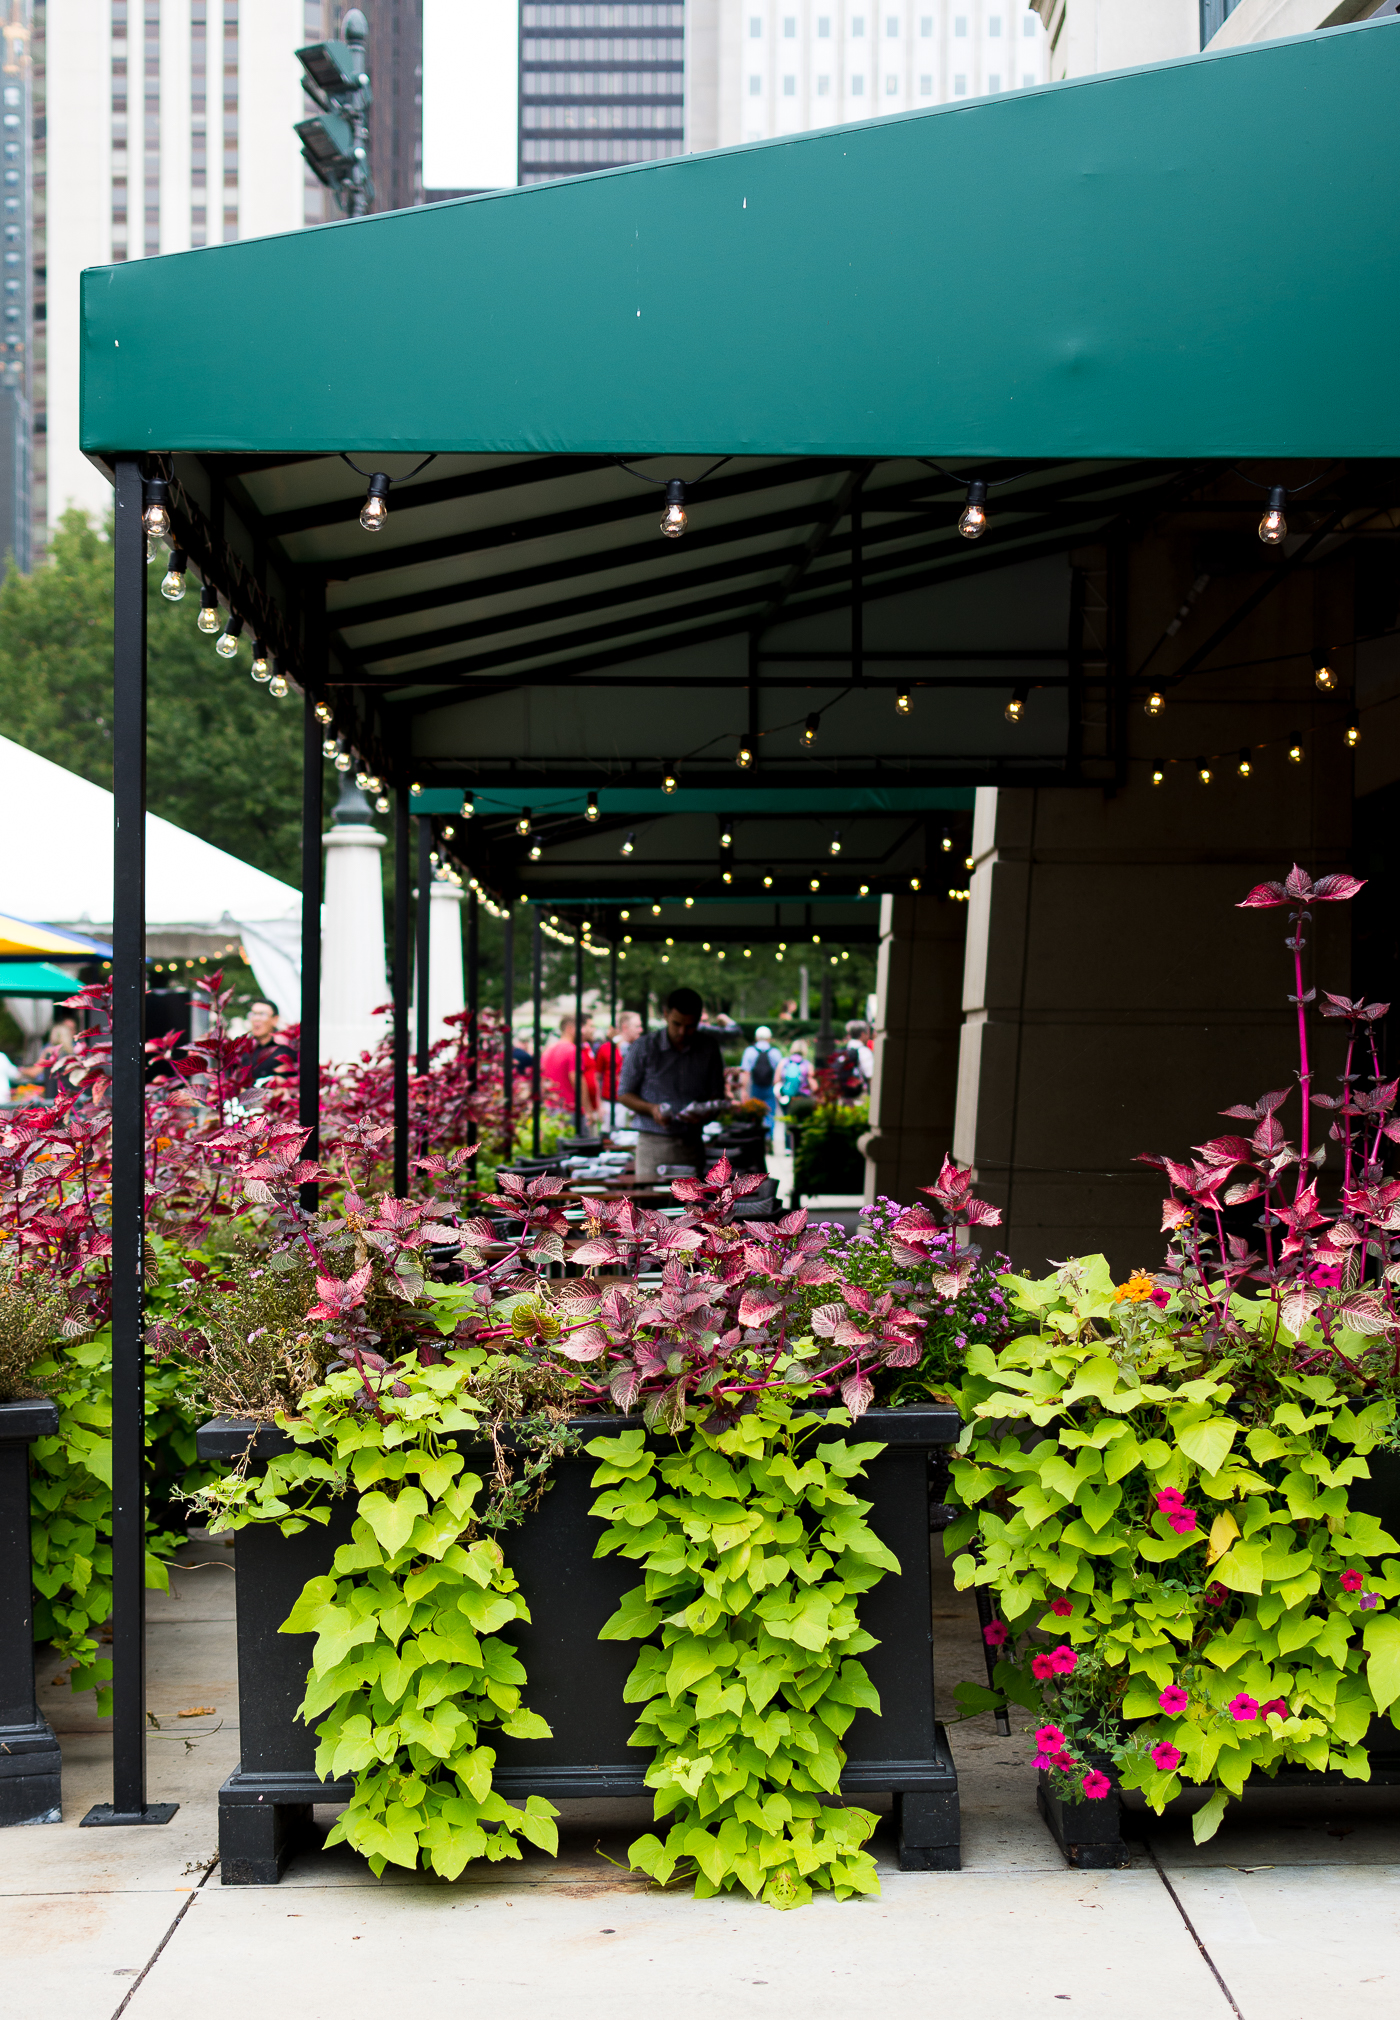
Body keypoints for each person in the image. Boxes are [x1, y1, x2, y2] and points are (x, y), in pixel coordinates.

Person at [617, 986, 728, 1180]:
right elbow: (624, 1093)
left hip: (692, 1142)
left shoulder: (708, 1048)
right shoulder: (643, 1047)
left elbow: (717, 1095)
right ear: (666, 1014)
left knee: (692, 1207)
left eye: (690, 1026)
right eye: (677, 1024)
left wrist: (706, 1114)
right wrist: (652, 1109)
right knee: (650, 1207)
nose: (682, 1032)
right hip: (652, 1143)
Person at [540, 1015, 599, 1124]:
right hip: (570, 1110)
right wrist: (588, 1110)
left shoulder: (548, 1050)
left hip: (551, 1108)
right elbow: (577, 1081)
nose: (582, 1032)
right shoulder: (573, 1050)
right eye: (579, 1028)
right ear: (569, 1029)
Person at [594, 1009, 641, 1130]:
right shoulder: (605, 1048)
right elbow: (597, 1078)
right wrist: (598, 1105)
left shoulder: (640, 1050)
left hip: (632, 1103)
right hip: (609, 1104)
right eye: (637, 1026)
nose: (640, 1030)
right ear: (625, 1027)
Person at [740, 1024, 784, 1142]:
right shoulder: (775, 1052)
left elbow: (746, 1072)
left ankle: (757, 1139)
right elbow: (780, 1072)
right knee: (770, 1113)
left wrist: (744, 1090)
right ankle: (769, 1138)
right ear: (769, 1038)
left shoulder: (750, 1051)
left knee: (755, 1112)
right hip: (770, 1087)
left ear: (756, 1037)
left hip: (755, 1087)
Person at [245, 999, 294, 1084]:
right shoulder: (243, 1049)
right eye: (253, 1014)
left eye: (262, 1014)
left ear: (275, 1019)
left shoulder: (288, 1048)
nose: (256, 1019)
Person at [831, 1019, 873, 1104]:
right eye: (868, 1033)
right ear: (862, 1034)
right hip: (859, 1096)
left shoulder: (843, 1051)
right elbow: (870, 1076)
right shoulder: (864, 1051)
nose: (869, 1036)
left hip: (843, 1096)